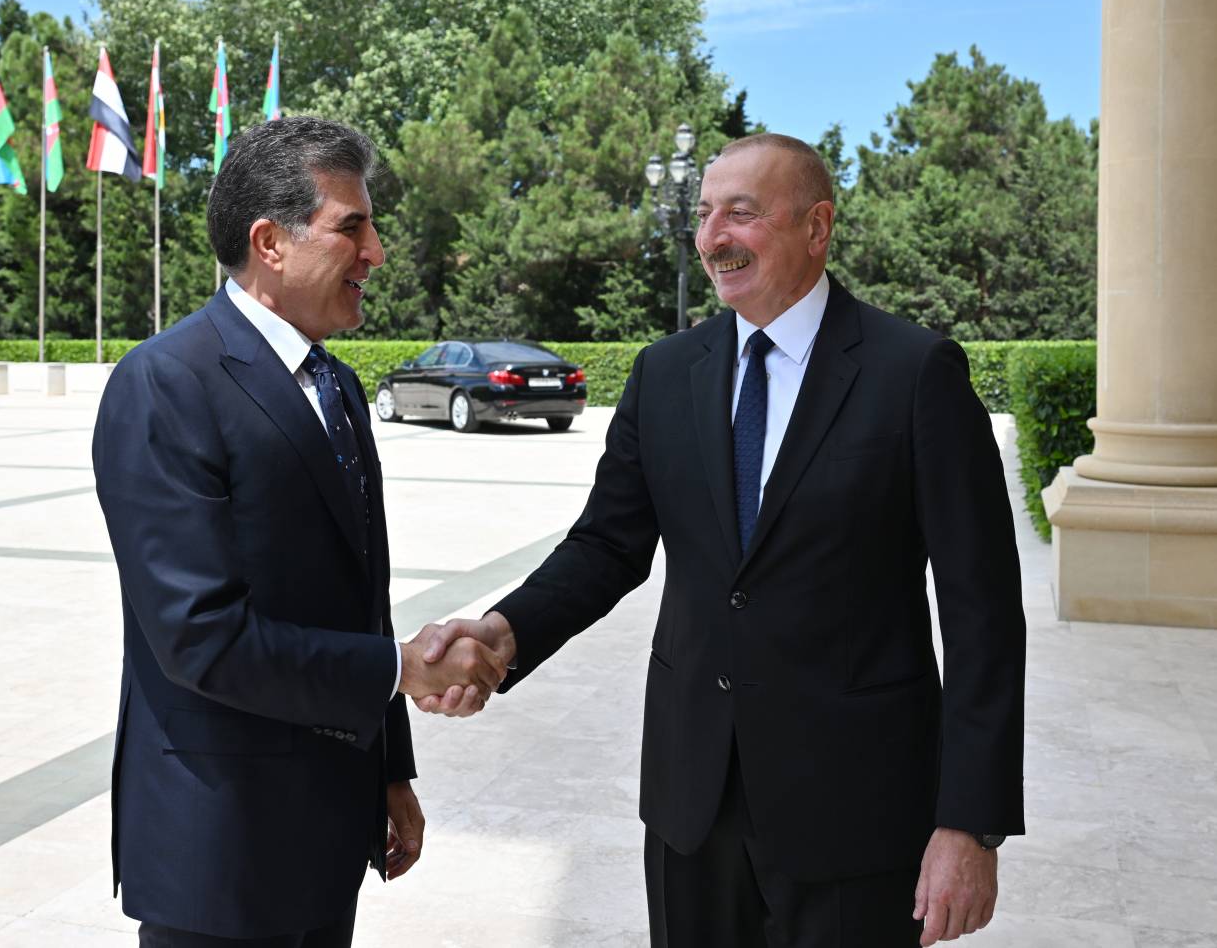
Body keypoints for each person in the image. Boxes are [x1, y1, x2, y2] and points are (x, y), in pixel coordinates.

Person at [418, 134, 1026, 946]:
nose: (711, 238)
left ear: (816, 227)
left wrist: (970, 822)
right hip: (691, 801)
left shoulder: (915, 374)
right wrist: (502, 633)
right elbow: (605, 547)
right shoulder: (664, 372)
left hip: (856, 808)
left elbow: (984, 615)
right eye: (703, 214)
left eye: (740, 213)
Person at [92, 116, 506, 948]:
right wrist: (404, 670)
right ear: (269, 243)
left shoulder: (337, 385)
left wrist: (388, 771)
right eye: (352, 227)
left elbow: (360, 599)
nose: (375, 252)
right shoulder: (166, 382)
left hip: (329, 826)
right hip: (221, 849)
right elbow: (200, 637)